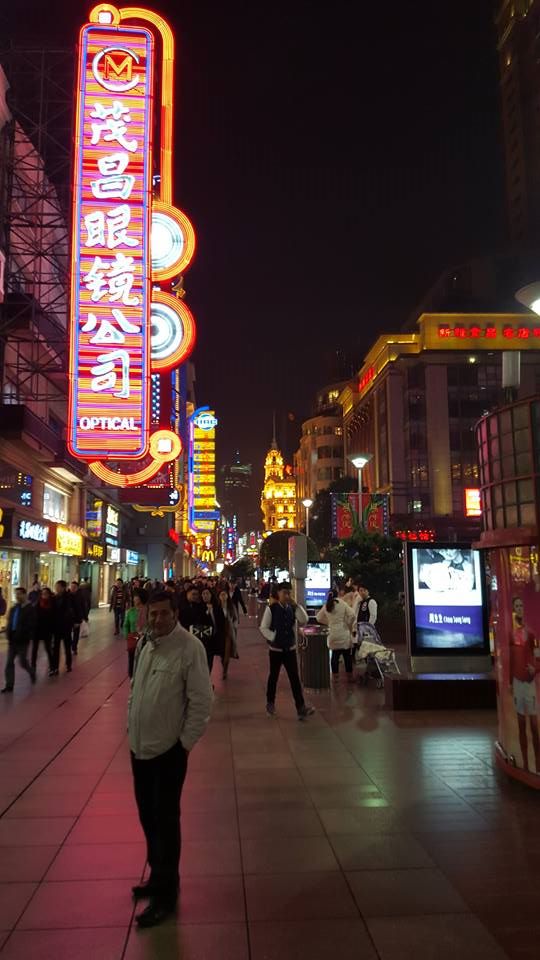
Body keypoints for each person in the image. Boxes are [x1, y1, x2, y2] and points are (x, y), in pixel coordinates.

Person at [128, 590, 213, 927]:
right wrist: (130, 727)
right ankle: (157, 875)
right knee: (147, 817)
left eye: (164, 613)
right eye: (153, 613)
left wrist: (184, 746)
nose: (158, 619)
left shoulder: (190, 648)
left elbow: (202, 702)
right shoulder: (146, 644)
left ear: (176, 613)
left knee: (165, 821)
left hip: (168, 752)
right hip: (139, 748)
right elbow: (135, 691)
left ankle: (166, 893)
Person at [260, 583, 314, 719]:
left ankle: (301, 707)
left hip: (290, 648)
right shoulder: (271, 609)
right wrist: (273, 637)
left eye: (289, 593)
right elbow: (263, 627)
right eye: (284, 592)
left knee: (294, 678)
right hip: (276, 650)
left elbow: (304, 620)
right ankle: (270, 703)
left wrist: (296, 605)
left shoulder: (292, 608)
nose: (287, 595)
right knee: (273, 677)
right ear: (278, 593)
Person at [509, 596, 540, 773]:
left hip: (528, 684)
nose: (519, 608)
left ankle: (537, 763)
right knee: (521, 724)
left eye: (521, 605)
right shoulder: (511, 634)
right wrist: (510, 682)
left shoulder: (532, 632)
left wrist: (535, 668)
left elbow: (538, 656)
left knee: (534, 725)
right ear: (514, 609)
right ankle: (525, 763)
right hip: (517, 683)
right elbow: (511, 660)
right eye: (517, 606)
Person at [2, 587, 36, 692]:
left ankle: (31, 672)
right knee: (9, 662)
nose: (17, 596)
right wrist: (8, 632)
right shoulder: (14, 609)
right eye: (16, 594)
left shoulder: (30, 609)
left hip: (22, 640)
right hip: (12, 640)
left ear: (25, 595)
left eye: (20, 594)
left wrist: (24, 633)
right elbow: (10, 622)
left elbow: (31, 624)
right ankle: (9, 685)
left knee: (22, 661)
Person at [316, 590, 356, 681]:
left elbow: (318, 618)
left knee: (335, 656)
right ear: (337, 594)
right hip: (343, 633)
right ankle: (349, 677)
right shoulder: (342, 603)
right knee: (347, 656)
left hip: (333, 634)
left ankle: (335, 678)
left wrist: (329, 622)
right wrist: (348, 623)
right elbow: (352, 615)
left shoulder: (327, 605)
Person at [51, 580, 75, 675]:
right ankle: (55, 667)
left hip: (66, 626)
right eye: (56, 587)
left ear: (63, 587)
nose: (56, 588)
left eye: (58, 587)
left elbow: (75, 609)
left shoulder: (69, 597)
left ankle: (68, 664)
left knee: (67, 647)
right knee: (56, 648)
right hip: (56, 626)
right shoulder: (54, 598)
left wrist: (76, 621)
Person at [124, 588, 148, 678]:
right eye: (133, 597)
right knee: (132, 661)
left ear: (141, 597)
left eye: (135, 596)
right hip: (133, 640)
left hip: (145, 640)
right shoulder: (131, 611)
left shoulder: (148, 610)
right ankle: (132, 678)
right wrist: (127, 636)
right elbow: (126, 625)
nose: (133, 598)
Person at [32, 587, 55, 675]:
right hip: (37, 629)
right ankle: (33, 666)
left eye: (46, 593)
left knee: (48, 648)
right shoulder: (37, 603)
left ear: (49, 594)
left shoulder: (52, 604)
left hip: (47, 630)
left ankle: (52, 666)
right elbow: (33, 616)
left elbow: (54, 617)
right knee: (34, 649)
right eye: (42, 593)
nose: (44, 595)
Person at [218, 587, 239, 678]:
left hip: (229, 633)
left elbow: (236, 618)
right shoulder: (217, 606)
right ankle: (224, 665)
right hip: (219, 633)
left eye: (224, 594)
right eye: (221, 595)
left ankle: (225, 670)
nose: (223, 596)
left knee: (227, 652)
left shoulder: (231, 606)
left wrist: (234, 626)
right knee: (222, 653)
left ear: (227, 596)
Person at [69, 581, 87, 655]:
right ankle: (72, 644)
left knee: (76, 634)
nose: (72, 588)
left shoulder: (80, 596)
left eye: (74, 587)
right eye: (71, 586)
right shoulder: (67, 595)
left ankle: (74, 648)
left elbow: (83, 607)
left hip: (77, 618)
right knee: (68, 634)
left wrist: (84, 617)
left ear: (77, 588)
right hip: (69, 618)